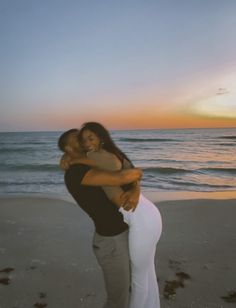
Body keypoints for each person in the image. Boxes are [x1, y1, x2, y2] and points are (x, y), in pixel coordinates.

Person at [62, 123, 163, 308]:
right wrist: (136, 176)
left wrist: (136, 188)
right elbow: (122, 177)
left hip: (125, 230)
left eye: (86, 137)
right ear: (68, 148)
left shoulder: (94, 159)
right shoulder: (75, 172)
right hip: (111, 241)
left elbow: (127, 173)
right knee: (119, 299)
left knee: (133, 284)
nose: (84, 141)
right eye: (79, 139)